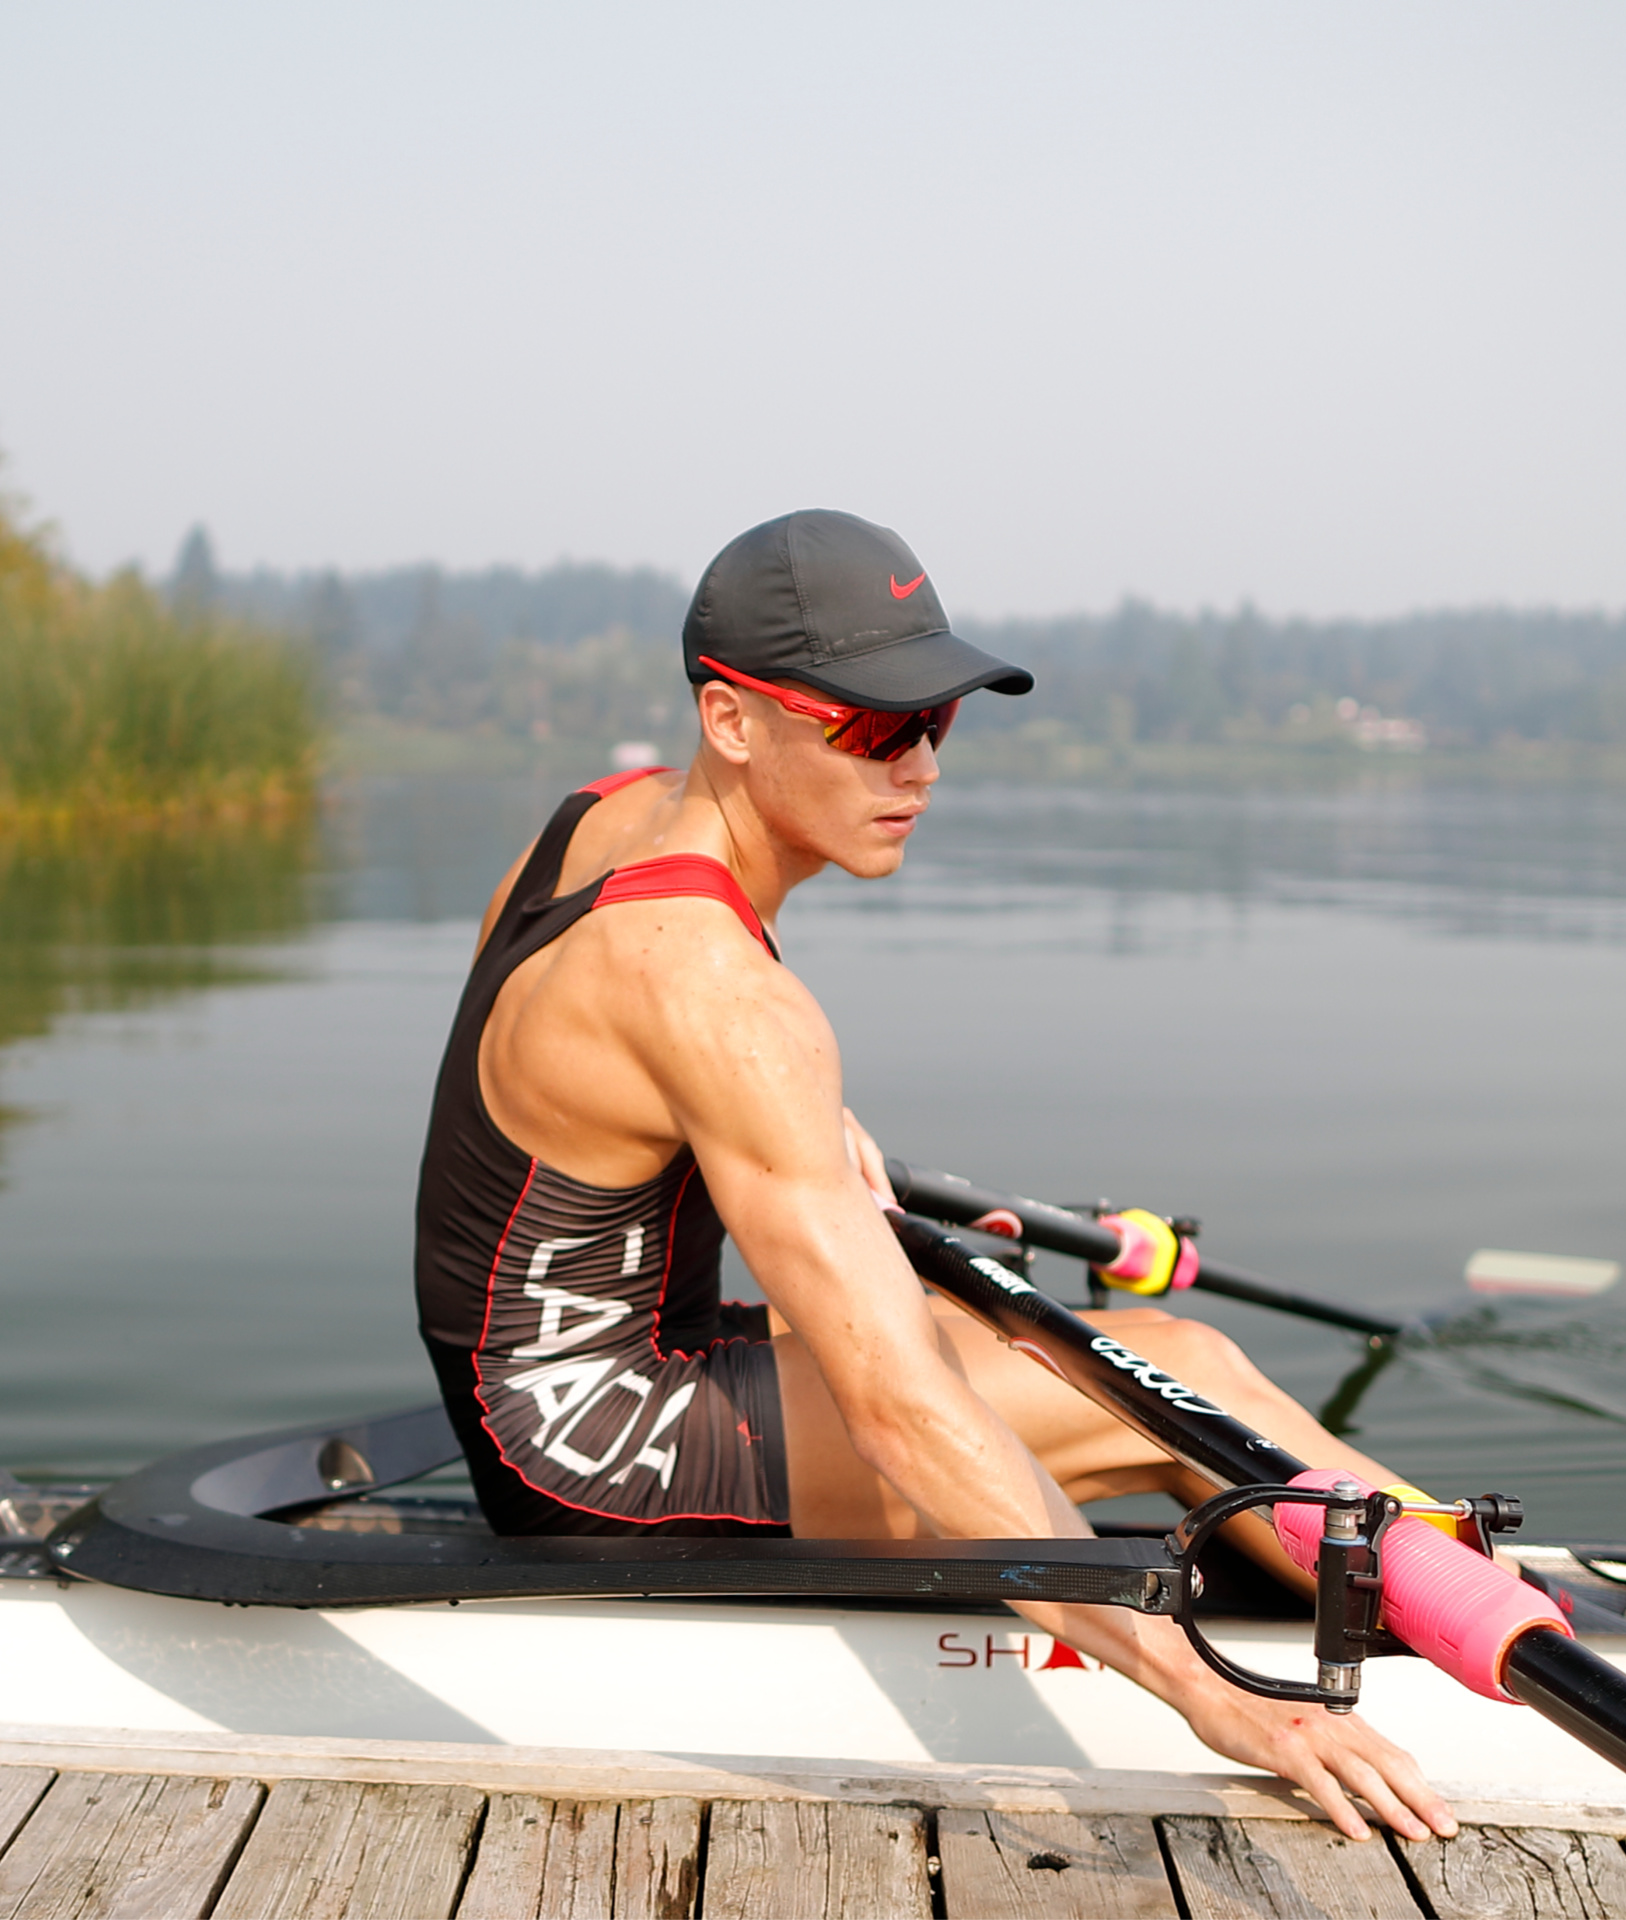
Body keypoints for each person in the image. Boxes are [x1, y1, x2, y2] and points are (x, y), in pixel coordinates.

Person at [415, 509, 1456, 1844]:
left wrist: (774, 1117)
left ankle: (1419, 1556)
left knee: (1057, 1345)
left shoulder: (603, 822)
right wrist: (1215, 1702)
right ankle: (1465, 1594)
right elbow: (901, 1417)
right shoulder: (713, 989)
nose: (917, 764)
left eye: (937, 723)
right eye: (867, 727)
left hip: (557, 1373)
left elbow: (560, 1063)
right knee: (1176, 1382)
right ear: (731, 721)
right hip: (586, 1449)